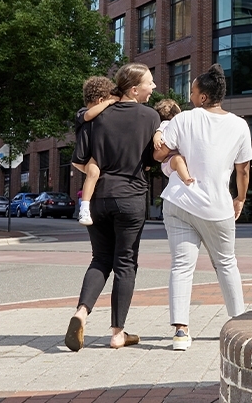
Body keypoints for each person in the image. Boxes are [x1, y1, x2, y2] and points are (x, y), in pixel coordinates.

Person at [156, 64, 252, 351]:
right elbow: (243, 170)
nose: (190, 95)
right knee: (226, 264)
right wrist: (241, 198)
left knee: (182, 266)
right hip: (217, 206)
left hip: (179, 201)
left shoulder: (184, 119)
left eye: (193, 91)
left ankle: (181, 333)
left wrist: (168, 148)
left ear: (203, 98)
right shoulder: (239, 125)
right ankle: (240, 325)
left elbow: (159, 152)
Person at [65, 63, 161, 352]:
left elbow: (79, 158)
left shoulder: (96, 116)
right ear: (134, 89)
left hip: (99, 198)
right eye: (150, 83)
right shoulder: (150, 117)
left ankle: (81, 313)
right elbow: (153, 159)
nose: (154, 87)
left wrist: (97, 172)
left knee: (100, 259)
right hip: (131, 196)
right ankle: (118, 332)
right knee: (125, 264)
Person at [75, 75, 120, 226]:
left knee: (96, 175)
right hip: (84, 157)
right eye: (107, 102)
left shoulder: (103, 116)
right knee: (93, 173)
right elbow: (88, 115)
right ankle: (84, 208)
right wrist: (110, 101)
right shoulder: (82, 112)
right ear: (101, 101)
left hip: (96, 156)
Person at [152, 99, 194, 187]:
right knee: (178, 159)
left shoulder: (177, 125)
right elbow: (159, 131)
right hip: (168, 161)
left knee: (180, 159)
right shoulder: (167, 123)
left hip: (173, 161)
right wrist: (157, 140)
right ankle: (186, 179)